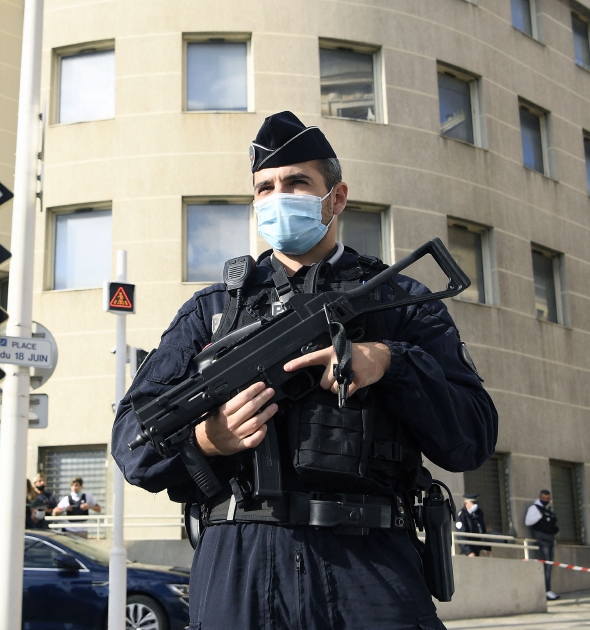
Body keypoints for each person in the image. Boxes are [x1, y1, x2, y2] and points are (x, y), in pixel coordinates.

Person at [111, 111, 498, 628]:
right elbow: (131, 442)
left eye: (296, 183)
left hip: (369, 567)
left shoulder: (399, 300)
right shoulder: (213, 311)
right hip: (239, 568)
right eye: (265, 187)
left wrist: (390, 363)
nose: (278, 197)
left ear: (335, 198)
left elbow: (472, 436)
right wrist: (207, 440)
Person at [525, 490, 560, 601]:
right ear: (540, 497)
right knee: (546, 565)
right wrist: (539, 516)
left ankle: (548, 589)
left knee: (549, 565)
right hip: (542, 540)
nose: (545, 501)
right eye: (543, 498)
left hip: (550, 539)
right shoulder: (534, 508)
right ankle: (546, 590)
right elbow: (528, 522)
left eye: (547, 499)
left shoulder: (549, 509)